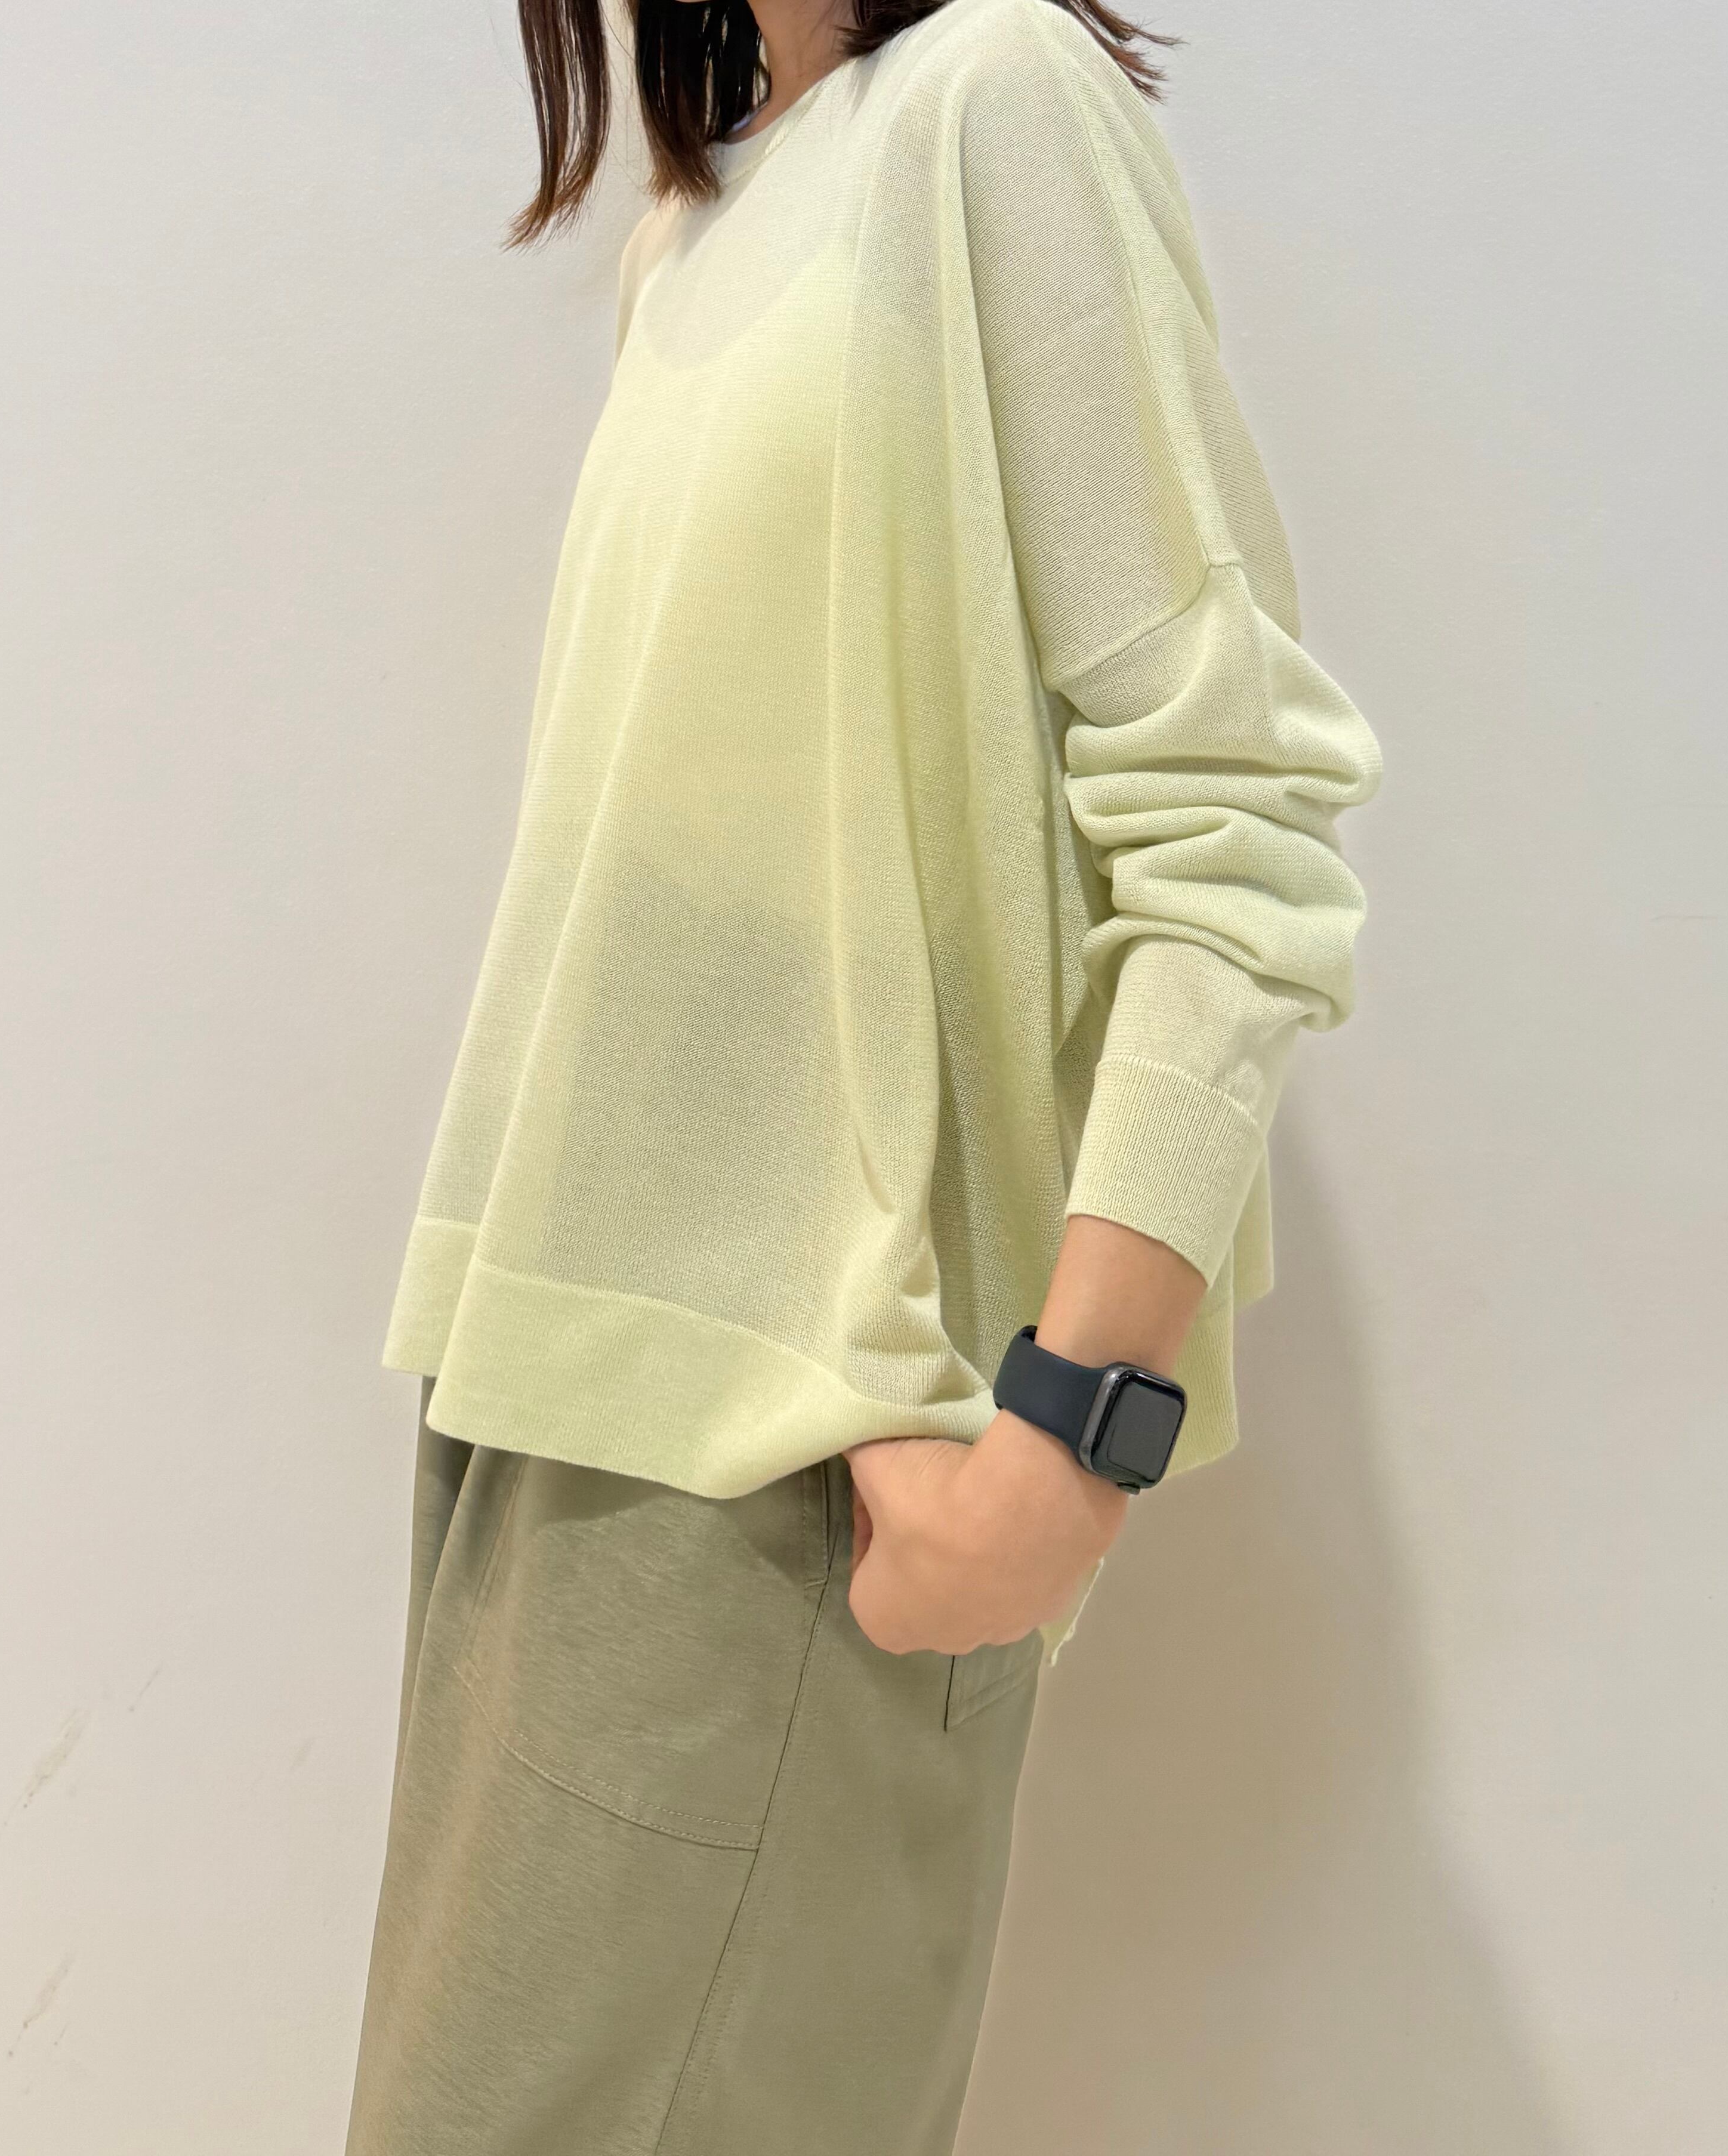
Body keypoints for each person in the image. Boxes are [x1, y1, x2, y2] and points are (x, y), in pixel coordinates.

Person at [342, 0, 1381, 2145]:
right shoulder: (703, 221)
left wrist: (1068, 1442)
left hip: (802, 1465)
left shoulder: (993, 100)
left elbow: (1234, 811)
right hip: (552, 1403)